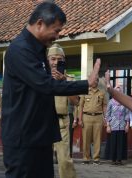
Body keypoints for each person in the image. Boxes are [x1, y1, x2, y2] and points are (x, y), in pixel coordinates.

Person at [1, 2, 100, 178]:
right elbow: (46, 85)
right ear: (40, 24)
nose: (57, 36)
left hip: (40, 136)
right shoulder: (20, 50)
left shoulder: (38, 50)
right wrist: (86, 83)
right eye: (56, 30)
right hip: (23, 139)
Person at [47, 43, 78, 178]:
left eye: (59, 59)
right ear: (47, 60)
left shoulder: (69, 79)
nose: (55, 62)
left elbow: (76, 101)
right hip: (43, 122)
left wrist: (64, 82)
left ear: (63, 61)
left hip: (62, 123)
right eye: (53, 58)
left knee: (64, 160)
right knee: (40, 160)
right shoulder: (40, 78)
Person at [78, 78, 107, 165]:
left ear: (97, 82)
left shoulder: (102, 93)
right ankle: (86, 158)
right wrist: (80, 119)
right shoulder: (85, 91)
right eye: (93, 80)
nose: (94, 82)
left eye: (96, 81)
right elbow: (80, 106)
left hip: (98, 118)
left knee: (97, 139)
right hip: (86, 117)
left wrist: (105, 118)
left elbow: (104, 106)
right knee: (86, 138)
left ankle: (96, 159)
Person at [105, 85, 129, 165]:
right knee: (113, 142)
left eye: (119, 91)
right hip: (113, 125)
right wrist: (108, 125)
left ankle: (119, 159)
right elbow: (107, 114)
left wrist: (127, 124)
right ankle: (113, 159)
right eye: (116, 91)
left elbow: (127, 114)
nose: (118, 92)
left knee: (120, 142)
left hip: (122, 124)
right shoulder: (111, 102)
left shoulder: (124, 101)